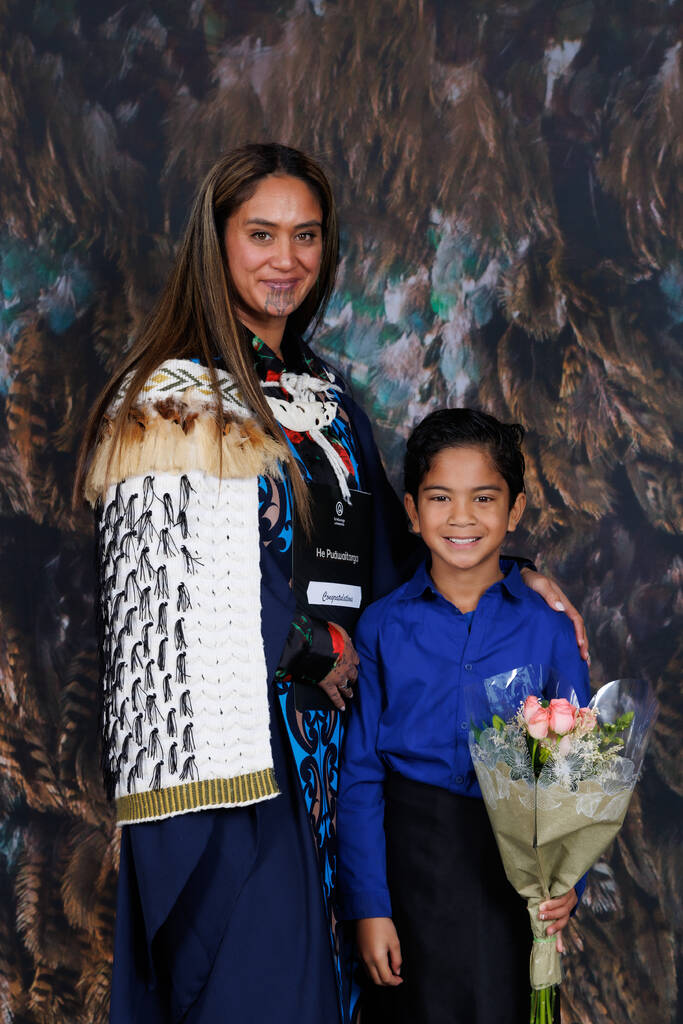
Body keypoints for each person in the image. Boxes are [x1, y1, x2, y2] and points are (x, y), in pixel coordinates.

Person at [74, 143, 587, 1024]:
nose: (287, 261)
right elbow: (176, 585)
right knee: (260, 986)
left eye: (306, 236)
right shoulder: (170, 396)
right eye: (261, 235)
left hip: (342, 745)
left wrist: (520, 573)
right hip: (244, 752)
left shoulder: (321, 391)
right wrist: (316, 650)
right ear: (216, 241)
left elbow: (401, 544)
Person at [336, 408, 591, 1024]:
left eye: (484, 498)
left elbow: (578, 773)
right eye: (440, 498)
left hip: (514, 872)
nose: (461, 518)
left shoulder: (549, 628)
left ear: (516, 510)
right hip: (413, 861)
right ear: (411, 510)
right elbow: (362, 776)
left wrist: (570, 883)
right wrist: (371, 907)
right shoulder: (382, 626)